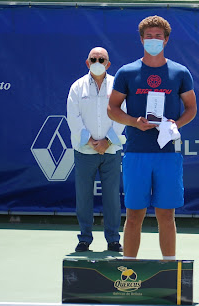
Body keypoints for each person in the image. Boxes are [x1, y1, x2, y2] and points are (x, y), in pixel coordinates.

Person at [107, 15, 197, 260]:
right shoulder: (127, 72)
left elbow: (191, 108)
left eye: (158, 36)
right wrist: (133, 122)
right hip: (136, 152)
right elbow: (112, 108)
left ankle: (169, 269)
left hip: (167, 154)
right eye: (149, 37)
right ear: (141, 39)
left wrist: (174, 124)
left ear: (166, 40)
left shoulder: (180, 72)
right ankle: (128, 268)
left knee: (166, 215)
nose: (154, 40)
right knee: (134, 215)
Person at [66, 47, 125, 253]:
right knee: (83, 197)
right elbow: (73, 117)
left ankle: (113, 239)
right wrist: (91, 141)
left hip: (111, 150)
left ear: (108, 63)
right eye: (94, 59)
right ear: (87, 62)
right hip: (85, 151)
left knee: (112, 197)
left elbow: (123, 114)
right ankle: (84, 239)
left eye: (102, 59)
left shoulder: (118, 85)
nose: (97, 61)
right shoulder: (77, 87)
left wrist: (107, 142)